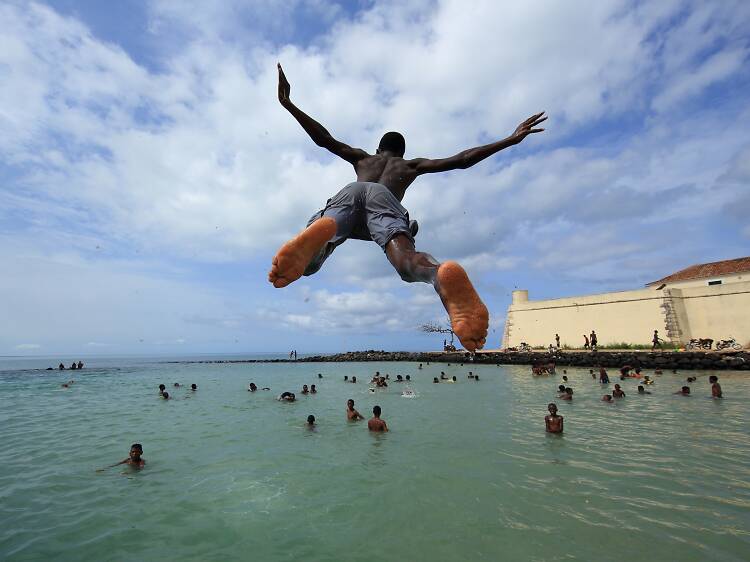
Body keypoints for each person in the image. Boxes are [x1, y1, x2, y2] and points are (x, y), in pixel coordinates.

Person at [269, 64, 546, 352]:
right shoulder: (409, 165)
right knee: (406, 261)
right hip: (384, 200)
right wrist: (510, 139)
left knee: (317, 253)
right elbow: (463, 159)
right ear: (401, 152)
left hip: (352, 196)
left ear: (378, 150)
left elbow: (324, 139)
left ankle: (318, 237)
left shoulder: (364, 159)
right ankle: (437, 274)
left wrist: (290, 104)